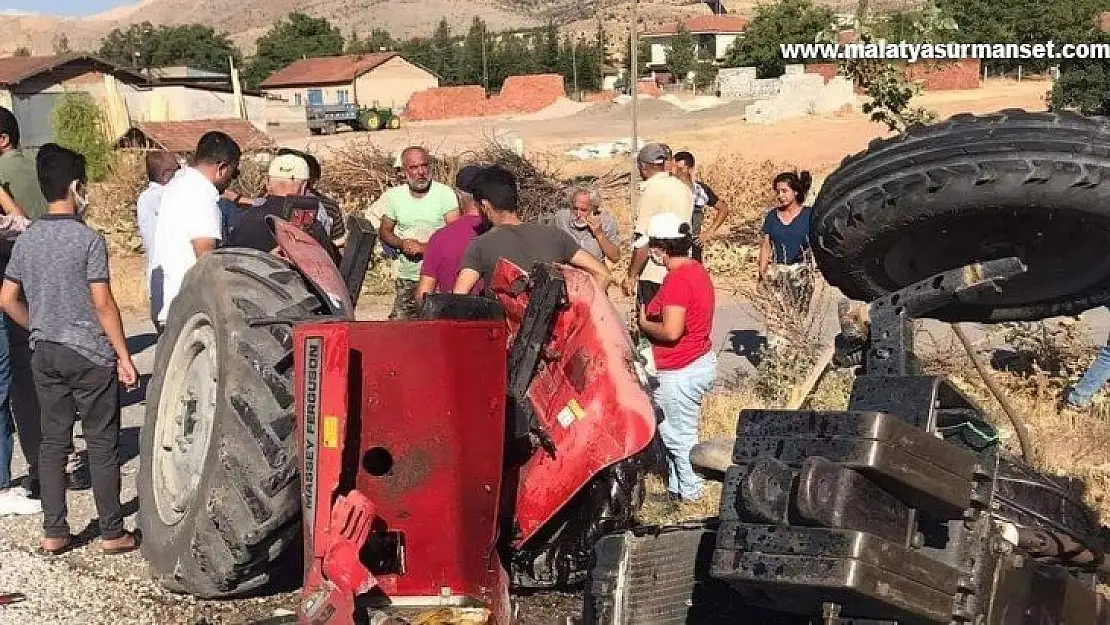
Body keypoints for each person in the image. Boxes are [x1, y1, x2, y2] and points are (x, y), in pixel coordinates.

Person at [0, 143, 140, 554]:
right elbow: (103, 303)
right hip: (90, 354)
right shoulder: (88, 240)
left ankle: (55, 530)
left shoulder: (27, 240)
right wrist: (124, 356)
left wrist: (39, 326)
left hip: (44, 351)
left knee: (52, 441)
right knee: (100, 441)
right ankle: (112, 531)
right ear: (77, 186)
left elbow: (7, 299)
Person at [637, 212, 717, 503]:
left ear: (662, 247)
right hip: (697, 361)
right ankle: (677, 488)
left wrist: (644, 323)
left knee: (678, 436)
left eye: (653, 247)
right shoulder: (696, 269)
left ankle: (692, 495)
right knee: (675, 431)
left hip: (680, 368)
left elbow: (671, 331)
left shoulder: (677, 280)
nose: (651, 253)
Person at [453, 165, 613, 294]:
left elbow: (460, 295)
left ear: (485, 206)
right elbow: (603, 274)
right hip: (556, 332)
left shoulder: (480, 245)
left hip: (506, 332)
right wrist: (577, 316)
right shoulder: (554, 236)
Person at [149, 131, 241, 332]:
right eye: (233, 174)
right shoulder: (202, 194)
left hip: (171, 302)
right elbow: (205, 257)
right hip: (191, 310)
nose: (230, 182)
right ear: (222, 168)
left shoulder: (178, 184)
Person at [0, 106, 45, 507]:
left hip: (15, 286)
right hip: (44, 281)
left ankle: (36, 469)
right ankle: (51, 466)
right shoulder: (45, 163)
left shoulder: (7, 172)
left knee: (19, 382)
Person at [378, 146, 460, 320]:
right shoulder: (394, 197)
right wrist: (402, 244)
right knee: (400, 331)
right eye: (414, 168)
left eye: (424, 166)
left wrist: (424, 248)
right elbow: (385, 231)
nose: (421, 172)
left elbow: (455, 236)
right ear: (404, 171)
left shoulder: (445, 195)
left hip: (437, 279)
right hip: (407, 276)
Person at [227, 153, 339, 263]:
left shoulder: (244, 220)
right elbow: (331, 269)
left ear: (268, 184)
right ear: (304, 187)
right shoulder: (308, 226)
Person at [623, 143, 694, 308]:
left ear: (643, 166)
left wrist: (631, 276)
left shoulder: (652, 191)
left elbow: (643, 240)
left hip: (654, 274)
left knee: (651, 324)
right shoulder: (683, 188)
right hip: (681, 269)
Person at [415, 165, 487, 306]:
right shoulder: (502, 233)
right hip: (495, 323)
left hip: (453, 321)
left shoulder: (440, 237)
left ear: (458, 196)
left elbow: (423, 295)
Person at [759, 171, 815, 314]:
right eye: (778, 192)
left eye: (784, 191)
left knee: (797, 317)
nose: (780, 196)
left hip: (800, 272)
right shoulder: (772, 216)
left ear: (795, 192)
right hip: (777, 272)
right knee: (775, 317)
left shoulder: (809, 215)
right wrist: (762, 272)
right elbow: (766, 245)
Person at [672, 151, 732, 263]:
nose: (676, 173)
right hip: (673, 245)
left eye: (680, 169)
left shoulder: (700, 190)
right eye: (674, 170)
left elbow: (723, 209)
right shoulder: (670, 190)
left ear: (690, 169)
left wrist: (709, 232)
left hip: (694, 246)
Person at [552, 186, 621, 264]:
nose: (578, 214)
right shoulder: (561, 218)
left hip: (594, 270)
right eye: (575, 208)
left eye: (583, 210)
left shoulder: (606, 221)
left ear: (594, 209)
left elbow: (615, 257)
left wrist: (599, 234)